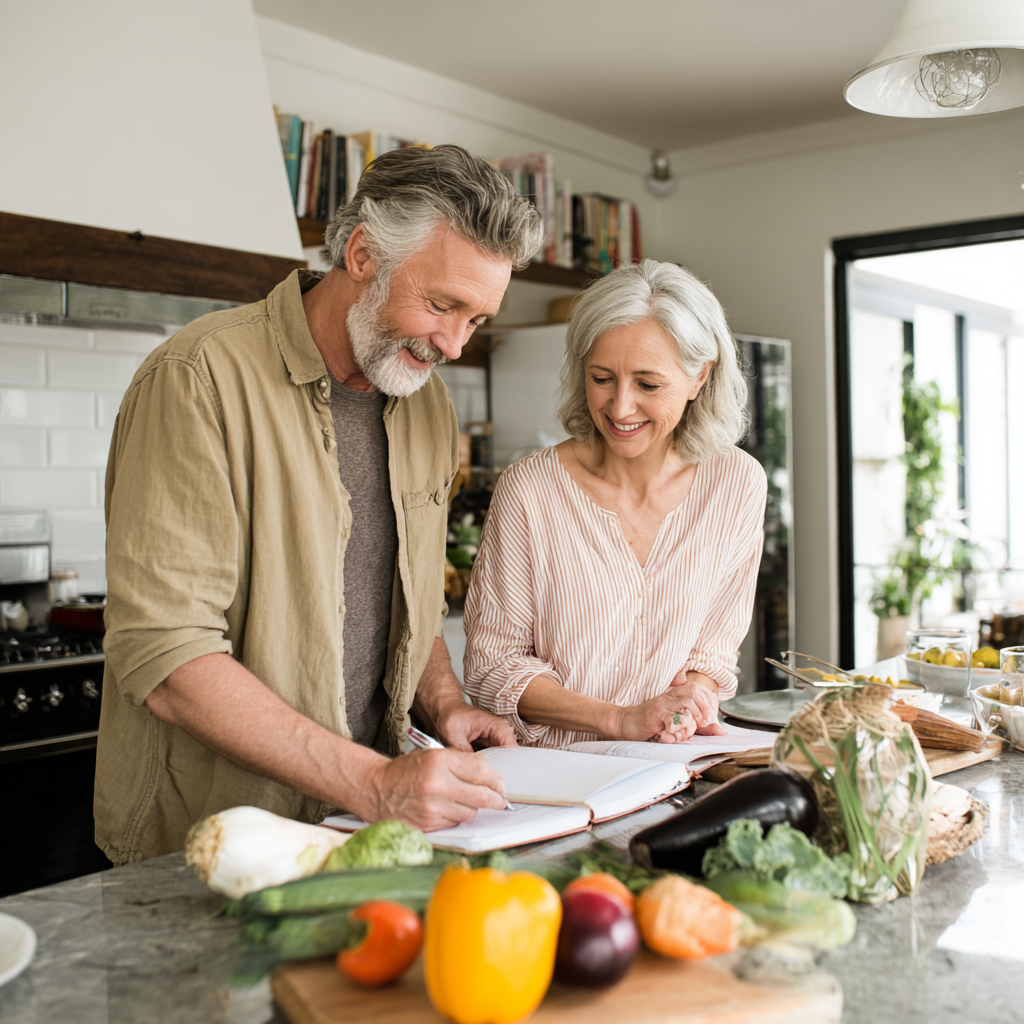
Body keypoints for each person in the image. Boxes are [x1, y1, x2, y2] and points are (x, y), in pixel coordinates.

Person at [95, 146, 544, 864]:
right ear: (363, 254)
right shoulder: (199, 377)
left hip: (368, 832)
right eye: (440, 304)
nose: (455, 344)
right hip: (214, 840)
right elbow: (167, 654)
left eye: (477, 320)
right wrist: (373, 781)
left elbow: (411, 606)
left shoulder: (424, 407)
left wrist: (448, 705)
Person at [463, 260, 766, 748]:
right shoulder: (531, 490)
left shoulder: (736, 484)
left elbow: (712, 654)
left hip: (676, 770)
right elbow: (492, 666)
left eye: (648, 384)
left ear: (699, 378)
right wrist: (620, 719)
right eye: (602, 378)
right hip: (558, 783)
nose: (620, 408)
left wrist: (690, 701)